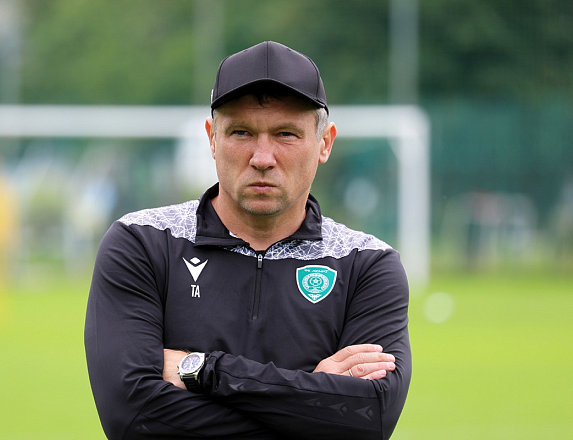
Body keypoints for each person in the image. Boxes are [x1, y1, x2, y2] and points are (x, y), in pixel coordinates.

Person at [85, 41, 411, 440]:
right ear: (212, 138)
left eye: (286, 134)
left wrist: (203, 370)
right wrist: (313, 398)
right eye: (241, 132)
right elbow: (132, 417)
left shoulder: (366, 264)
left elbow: (370, 419)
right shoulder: (142, 243)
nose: (262, 158)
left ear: (324, 143)